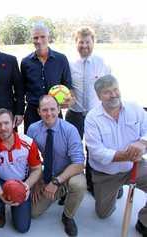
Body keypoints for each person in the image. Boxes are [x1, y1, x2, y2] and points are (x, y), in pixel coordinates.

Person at [84, 75, 147, 236]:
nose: (113, 95)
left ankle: (144, 221)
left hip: (135, 166)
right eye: (107, 92)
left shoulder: (135, 108)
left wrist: (142, 143)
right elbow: (97, 152)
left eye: (115, 90)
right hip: (106, 174)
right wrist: (127, 155)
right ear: (99, 97)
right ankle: (115, 190)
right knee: (103, 214)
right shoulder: (92, 118)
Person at [27, 95, 86, 237]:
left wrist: (56, 182)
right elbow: (30, 159)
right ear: (39, 111)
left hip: (69, 173)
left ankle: (68, 216)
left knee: (78, 184)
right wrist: (35, 181)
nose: (49, 113)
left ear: (59, 109)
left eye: (53, 109)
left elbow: (79, 163)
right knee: (33, 212)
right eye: (45, 110)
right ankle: (62, 191)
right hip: (48, 173)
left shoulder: (70, 130)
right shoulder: (33, 129)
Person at [66, 27, 111, 195]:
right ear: (76, 43)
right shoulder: (69, 64)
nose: (84, 45)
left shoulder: (102, 63)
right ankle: (74, 183)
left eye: (87, 42)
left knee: (93, 150)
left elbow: (110, 88)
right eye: (81, 42)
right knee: (72, 149)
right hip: (74, 114)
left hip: (95, 115)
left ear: (93, 42)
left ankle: (92, 183)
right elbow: (65, 86)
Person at [0, 108, 41, 233]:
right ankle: (1, 212)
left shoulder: (28, 143)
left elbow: (36, 169)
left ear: (13, 123)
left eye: (6, 123)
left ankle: (17, 207)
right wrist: (0, 194)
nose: (3, 128)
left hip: (22, 182)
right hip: (1, 182)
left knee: (22, 228)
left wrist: (26, 186)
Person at [21, 22, 72, 133]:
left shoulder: (61, 59)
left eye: (42, 37)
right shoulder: (25, 62)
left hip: (53, 112)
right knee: (32, 146)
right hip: (32, 114)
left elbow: (68, 85)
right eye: (35, 37)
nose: (39, 41)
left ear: (48, 37)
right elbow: (22, 89)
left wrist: (67, 100)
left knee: (56, 145)